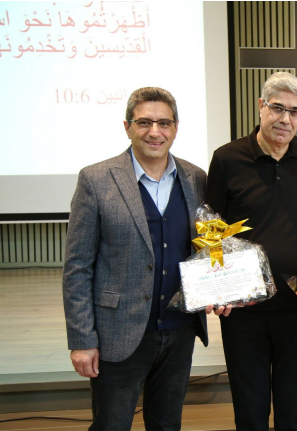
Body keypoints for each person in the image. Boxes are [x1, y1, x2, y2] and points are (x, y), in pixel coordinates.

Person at [63, 87, 210, 430]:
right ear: (127, 126)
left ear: (176, 127)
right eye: (144, 122)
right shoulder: (96, 179)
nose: (154, 132)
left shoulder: (196, 178)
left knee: (167, 425)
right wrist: (82, 341)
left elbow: (206, 249)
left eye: (163, 122)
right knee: (111, 425)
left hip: (179, 330)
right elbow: (77, 267)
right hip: (118, 333)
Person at [205, 72, 297, 431]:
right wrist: (218, 287)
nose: (286, 119)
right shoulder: (227, 158)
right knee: (250, 410)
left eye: (295, 112)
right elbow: (210, 228)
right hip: (245, 312)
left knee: (294, 412)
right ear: (261, 107)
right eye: (278, 108)